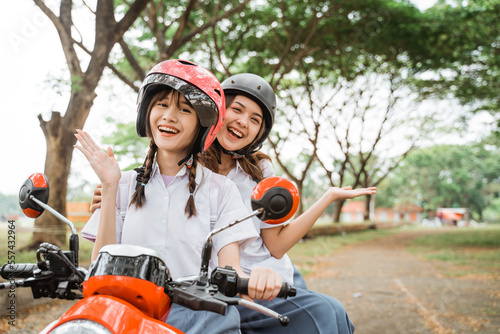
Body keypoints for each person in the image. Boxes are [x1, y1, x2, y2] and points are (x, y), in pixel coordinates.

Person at [90, 72, 375, 333]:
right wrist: (111, 192)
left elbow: (274, 244)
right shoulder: (177, 160)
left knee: (329, 315)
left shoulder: (257, 170)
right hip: (203, 284)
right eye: (236, 110)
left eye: (255, 120)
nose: (242, 122)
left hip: (258, 277)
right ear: (214, 113)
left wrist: (328, 197)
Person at [76, 59, 284, 334]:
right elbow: (98, 269)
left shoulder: (221, 191)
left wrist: (259, 277)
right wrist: (111, 185)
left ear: (203, 126)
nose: (169, 116)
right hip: (126, 317)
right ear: (146, 112)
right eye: (162, 104)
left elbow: (231, 271)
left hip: (196, 319)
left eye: (185, 110)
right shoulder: (121, 183)